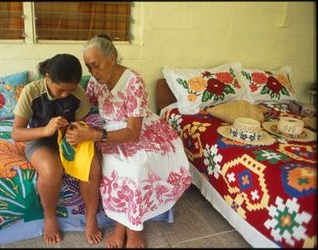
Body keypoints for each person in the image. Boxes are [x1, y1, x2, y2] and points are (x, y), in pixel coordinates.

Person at [65, 35, 192, 248]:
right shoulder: (97, 82)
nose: (93, 73)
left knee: (136, 168)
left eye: (96, 65)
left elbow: (133, 132)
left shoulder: (133, 81)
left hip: (138, 129)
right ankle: (121, 226)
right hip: (109, 129)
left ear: (112, 58)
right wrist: (75, 125)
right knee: (116, 166)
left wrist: (95, 136)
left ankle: (131, 231)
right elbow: (86, 106)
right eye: (89, 68)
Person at [12, 54, 102, 245]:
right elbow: (17, 133)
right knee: (52, 170)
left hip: (69, 139)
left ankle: (91, 218)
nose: (65, 95)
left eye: (69, 91)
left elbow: (81, 122)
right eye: (61, 90)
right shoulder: (31, 91)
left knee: (92, 166)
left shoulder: (77, 93)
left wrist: (73, 131)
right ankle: (50, 217)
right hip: (39, 140)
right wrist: (46, 130)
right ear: (47, 77)